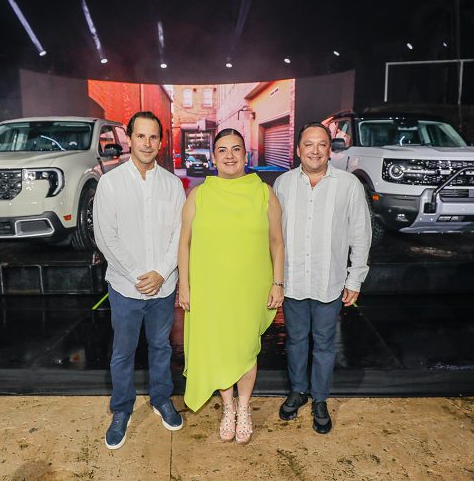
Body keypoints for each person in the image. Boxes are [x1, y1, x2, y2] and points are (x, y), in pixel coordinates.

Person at [178, 128, 284, 444]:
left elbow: (277, 241)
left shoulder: (264, 192)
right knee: (219, 346)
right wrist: (184, 285)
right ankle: (228, 407)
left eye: (236, 149)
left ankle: (245, 408)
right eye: (222, 150)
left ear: (245, 155)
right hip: (210, 288)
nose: (229, 156)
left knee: (245, 348)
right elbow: (184, 243)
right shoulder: (199, 195)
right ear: (214, 157)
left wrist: (278, 282)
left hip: (249, 287)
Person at [93, 111, 186, 450]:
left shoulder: (172, 185)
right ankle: (122, 409)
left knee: (161, 347)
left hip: (163, 286)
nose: (147, 143)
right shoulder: (110, 183)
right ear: (129, 139)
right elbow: (106, 237)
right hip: (125, 287)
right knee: (123, 352)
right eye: (141, 136)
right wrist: (137, 275)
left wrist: (161, 272)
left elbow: (180, 234)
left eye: (153, 137)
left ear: (161, 142)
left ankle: (162, 399)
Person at [273, 122, 371, 434]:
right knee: (296, 341)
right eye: (308, 144)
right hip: (293, 281)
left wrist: (355, 278)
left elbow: (360, 233)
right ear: (298, 149)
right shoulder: (283, 184)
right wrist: (274, 279)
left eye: (322, 144)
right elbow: (273, 235)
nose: (315, 150)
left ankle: (319, 399)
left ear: (330, 149)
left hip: (330, 282)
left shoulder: (348, 185)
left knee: (325, 343)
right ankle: (297, 391)